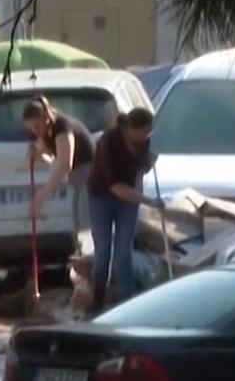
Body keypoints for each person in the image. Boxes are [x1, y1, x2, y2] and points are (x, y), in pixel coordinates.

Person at [87, 107, 162, 312]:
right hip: (102, 196)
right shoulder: (108, 142)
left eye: (149, 133)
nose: (146, 136)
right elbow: (116, 186)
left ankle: (127, 302)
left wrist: (148, 162)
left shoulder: (142, 141)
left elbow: (140, 167)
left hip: (128, 199)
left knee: (124, 249)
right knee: (103, 249)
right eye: (144, 132)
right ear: (131, 129)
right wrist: (149, 201)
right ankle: (98, 298)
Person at [22, 96, 96, 247]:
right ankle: (87, 262)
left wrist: (40, 198)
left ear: (45, 117)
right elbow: (48, 155)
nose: (35, 132)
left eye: (36, 127)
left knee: (86, 226)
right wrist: (38, 154)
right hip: (77, 179)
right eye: (30, 129)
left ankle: (94, 263)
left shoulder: (62, 127)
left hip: (92, 178)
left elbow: (65, 165)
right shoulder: (47, 132)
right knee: (78, 226)